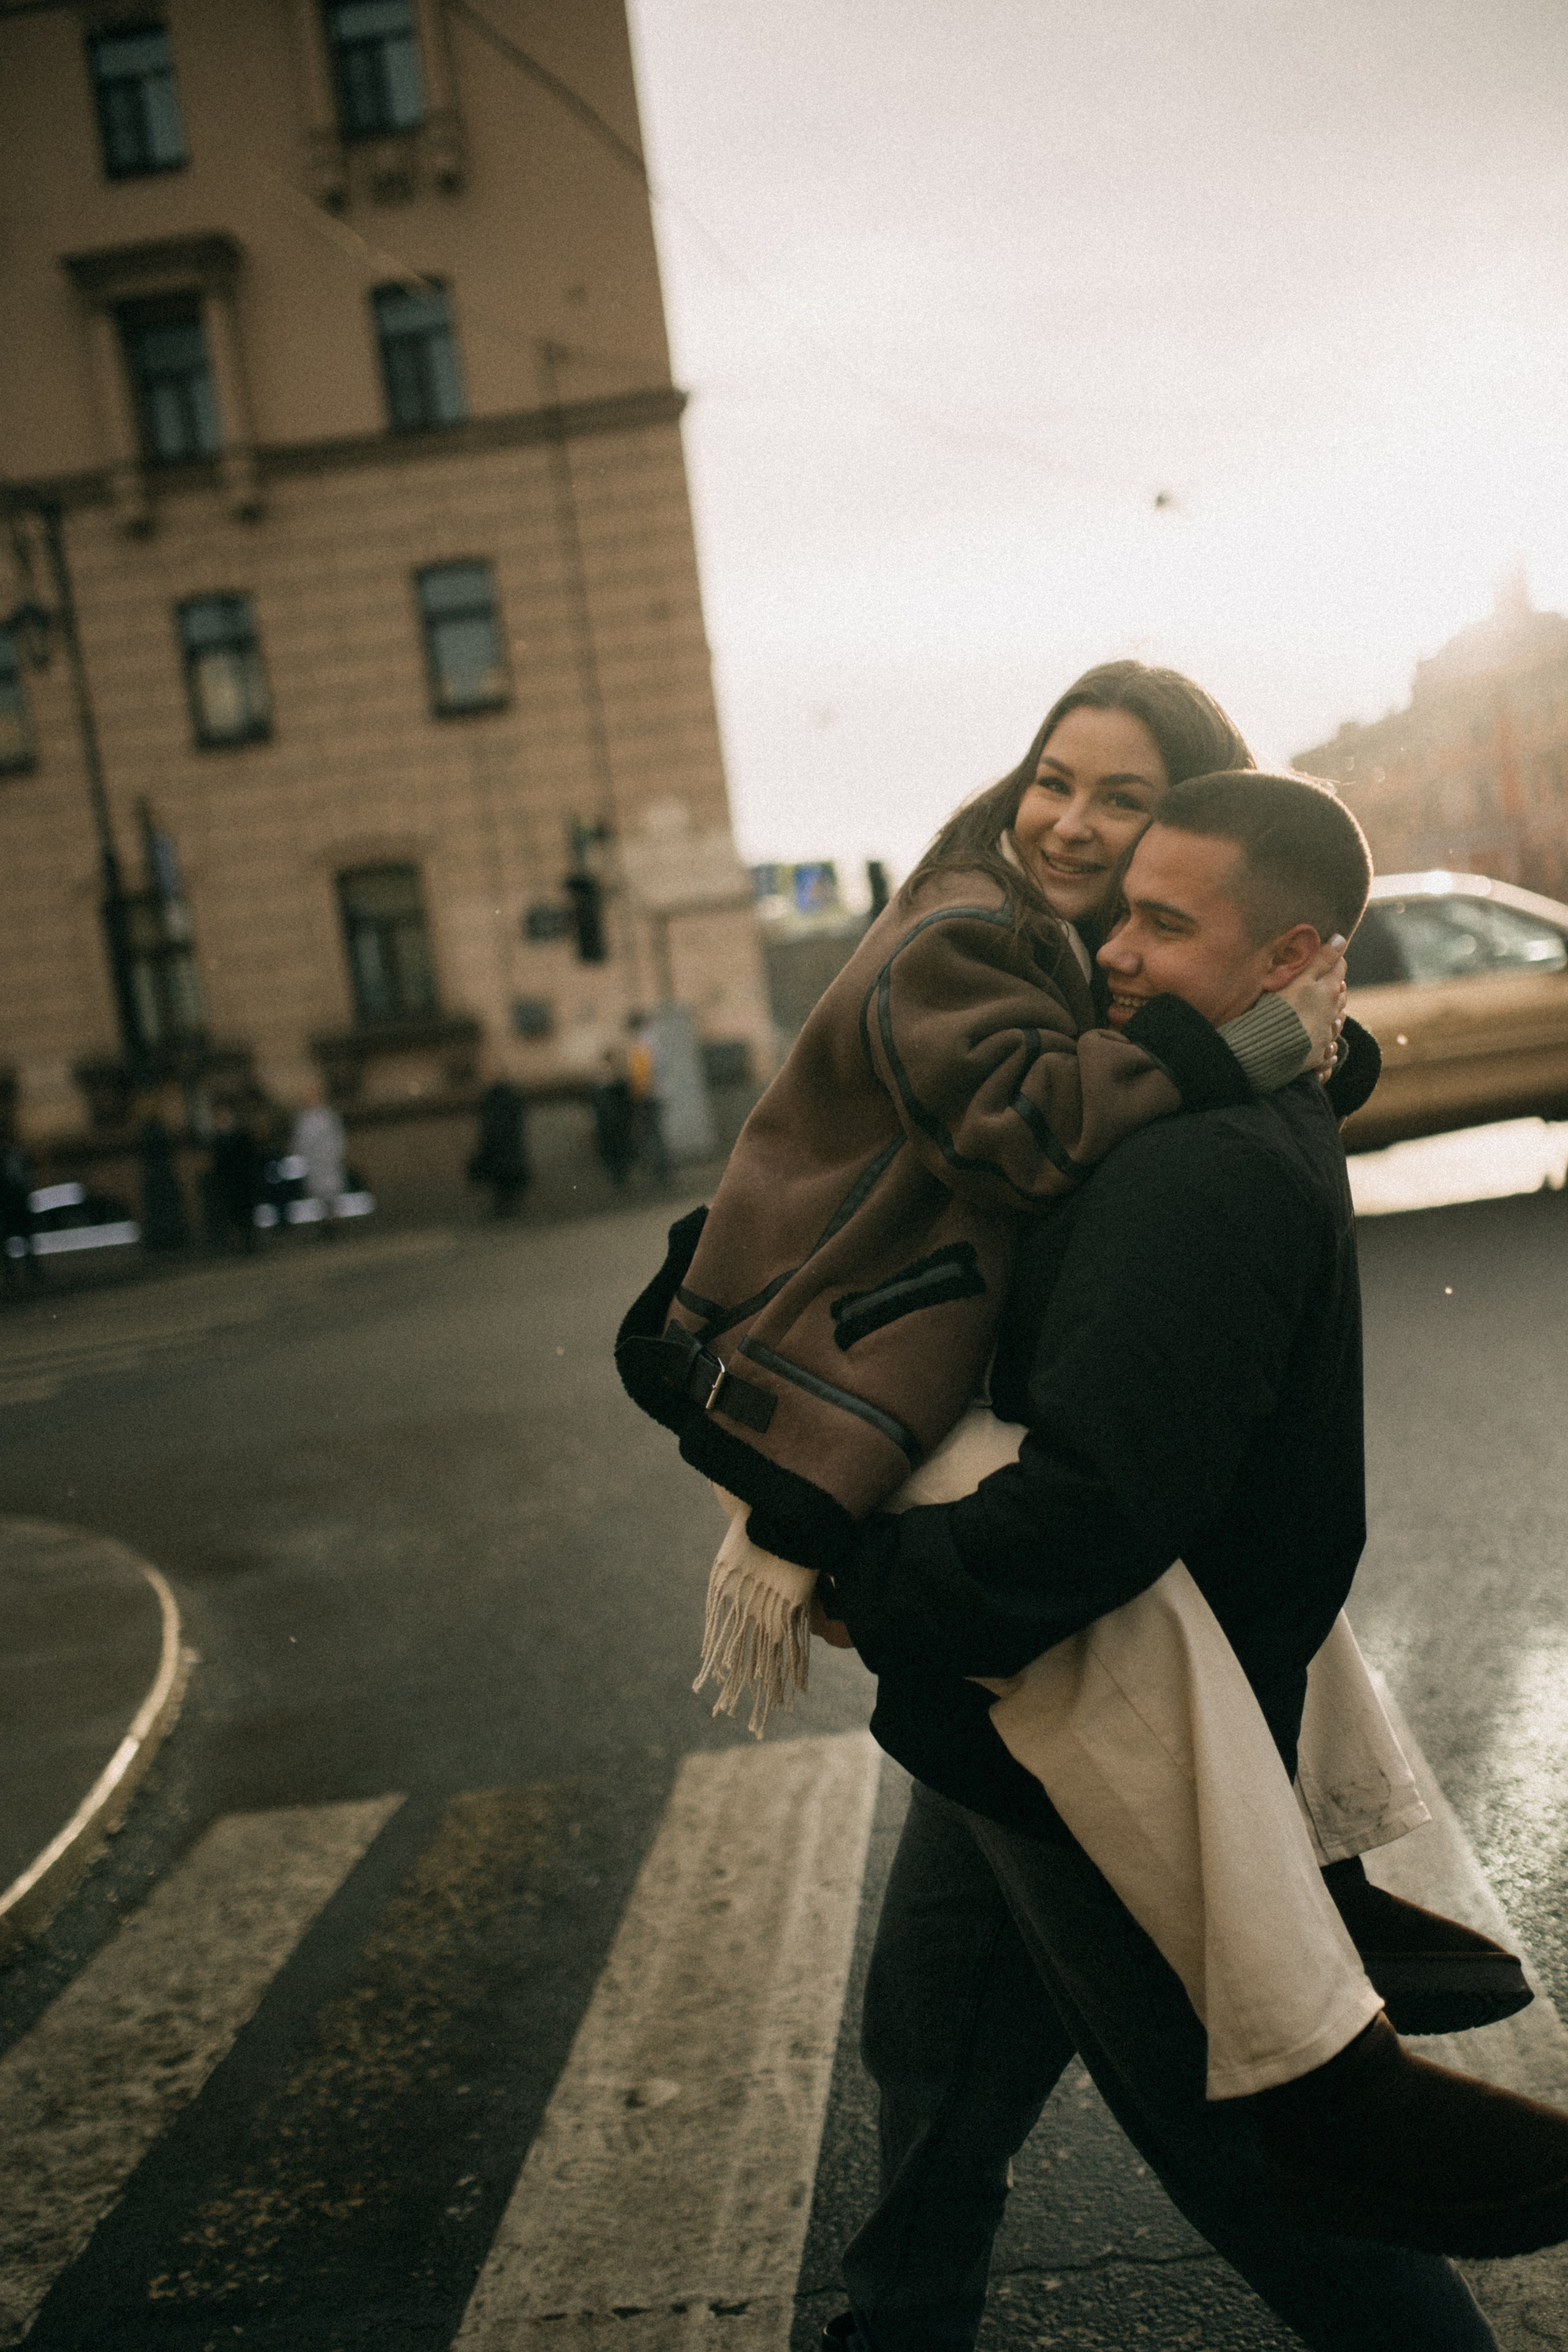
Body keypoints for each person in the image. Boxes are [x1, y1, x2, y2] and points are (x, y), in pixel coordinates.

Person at [616, 674, 1533, 2235]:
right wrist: (1241, 1044)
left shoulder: (1115, 994)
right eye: (1058, 780)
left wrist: (1281, 1050)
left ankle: (1311, 1926)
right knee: (1134, 1696)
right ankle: (1312, 2004)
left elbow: (1211, 1079)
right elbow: (1036, 1126)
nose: (1077, 827)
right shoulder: (968, 932)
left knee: (940, 2024)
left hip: (955, 1475)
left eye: (1126, 809)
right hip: (832, 1345)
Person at [810, 777, 1568, 2349]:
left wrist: (863, 1578)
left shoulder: (1201, 1162)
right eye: (1116, 911)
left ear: (1285, 948)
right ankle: (896, 2319)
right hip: (1012, 1704)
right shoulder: (1179, 1103)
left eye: (1165, 922)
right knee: (932, 2052)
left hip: (1107, 1728)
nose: (1117, 952)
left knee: (1265, 2162)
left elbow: (1092, 1511)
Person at [468, 1073, 530, 1216]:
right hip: (508, 1153)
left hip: (501, 1153)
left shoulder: (494, 1103)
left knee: (503, 1182)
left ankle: (504, 1209)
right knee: (506, 1182)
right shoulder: (510, 1101)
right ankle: (506, 1208)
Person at [207, 1104, 264, 1253]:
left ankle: (249, 1240)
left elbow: (250, 1157)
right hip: (229, 1182)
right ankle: (241, 1241)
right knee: (234, 1213)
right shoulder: (219, 1139)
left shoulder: (241, 1135)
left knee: (246, 1212)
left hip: (243, 1180)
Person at [291, 1081, 347, 1229]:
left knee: (332, 1193)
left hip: (328, 1162)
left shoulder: (327, 1117)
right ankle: (323, 1223)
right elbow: (300, 1142)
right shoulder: (303, 1120)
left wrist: (334, 1155)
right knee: (317, 1194)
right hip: (313, 1164)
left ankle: (334, 1220)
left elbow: (336, 1138)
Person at [137, 1102, 189, 1250]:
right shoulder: (153, 1130)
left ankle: (168, 1238)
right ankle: (168, 1238)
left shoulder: (151, 1131)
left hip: (158, 1176)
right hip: (159, 1177)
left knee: (163, 1208)